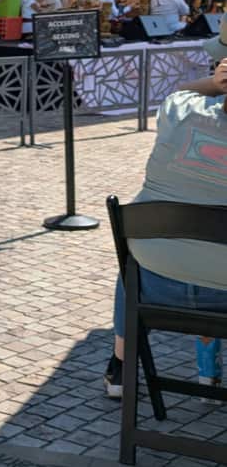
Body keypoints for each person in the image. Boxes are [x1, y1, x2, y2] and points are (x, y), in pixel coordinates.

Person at [103, 27, 227, 399]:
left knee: (131, 268)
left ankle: (122, 368)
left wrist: (214, 84)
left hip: (157, 283)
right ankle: (208, 368)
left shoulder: (181, 113)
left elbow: (177, 94)